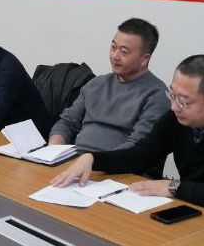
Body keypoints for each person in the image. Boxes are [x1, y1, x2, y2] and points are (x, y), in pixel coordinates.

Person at [51, 55, 204, 219]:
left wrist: (173, 187)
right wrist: (93, 158)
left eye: (183, 101)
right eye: (172, 95)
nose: (174, 107)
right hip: (202, 214)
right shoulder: (178, 118)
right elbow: (140, 156)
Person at [48, 18, 170, 152]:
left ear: (144, 59)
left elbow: (137, 147)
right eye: (113, 47)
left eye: (124, 51)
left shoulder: (157, 95)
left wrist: (91, 160)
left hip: (117, 163)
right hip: (77, 159)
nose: (115, 56)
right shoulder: (96, 84)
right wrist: (53, 150)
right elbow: (67, 122)